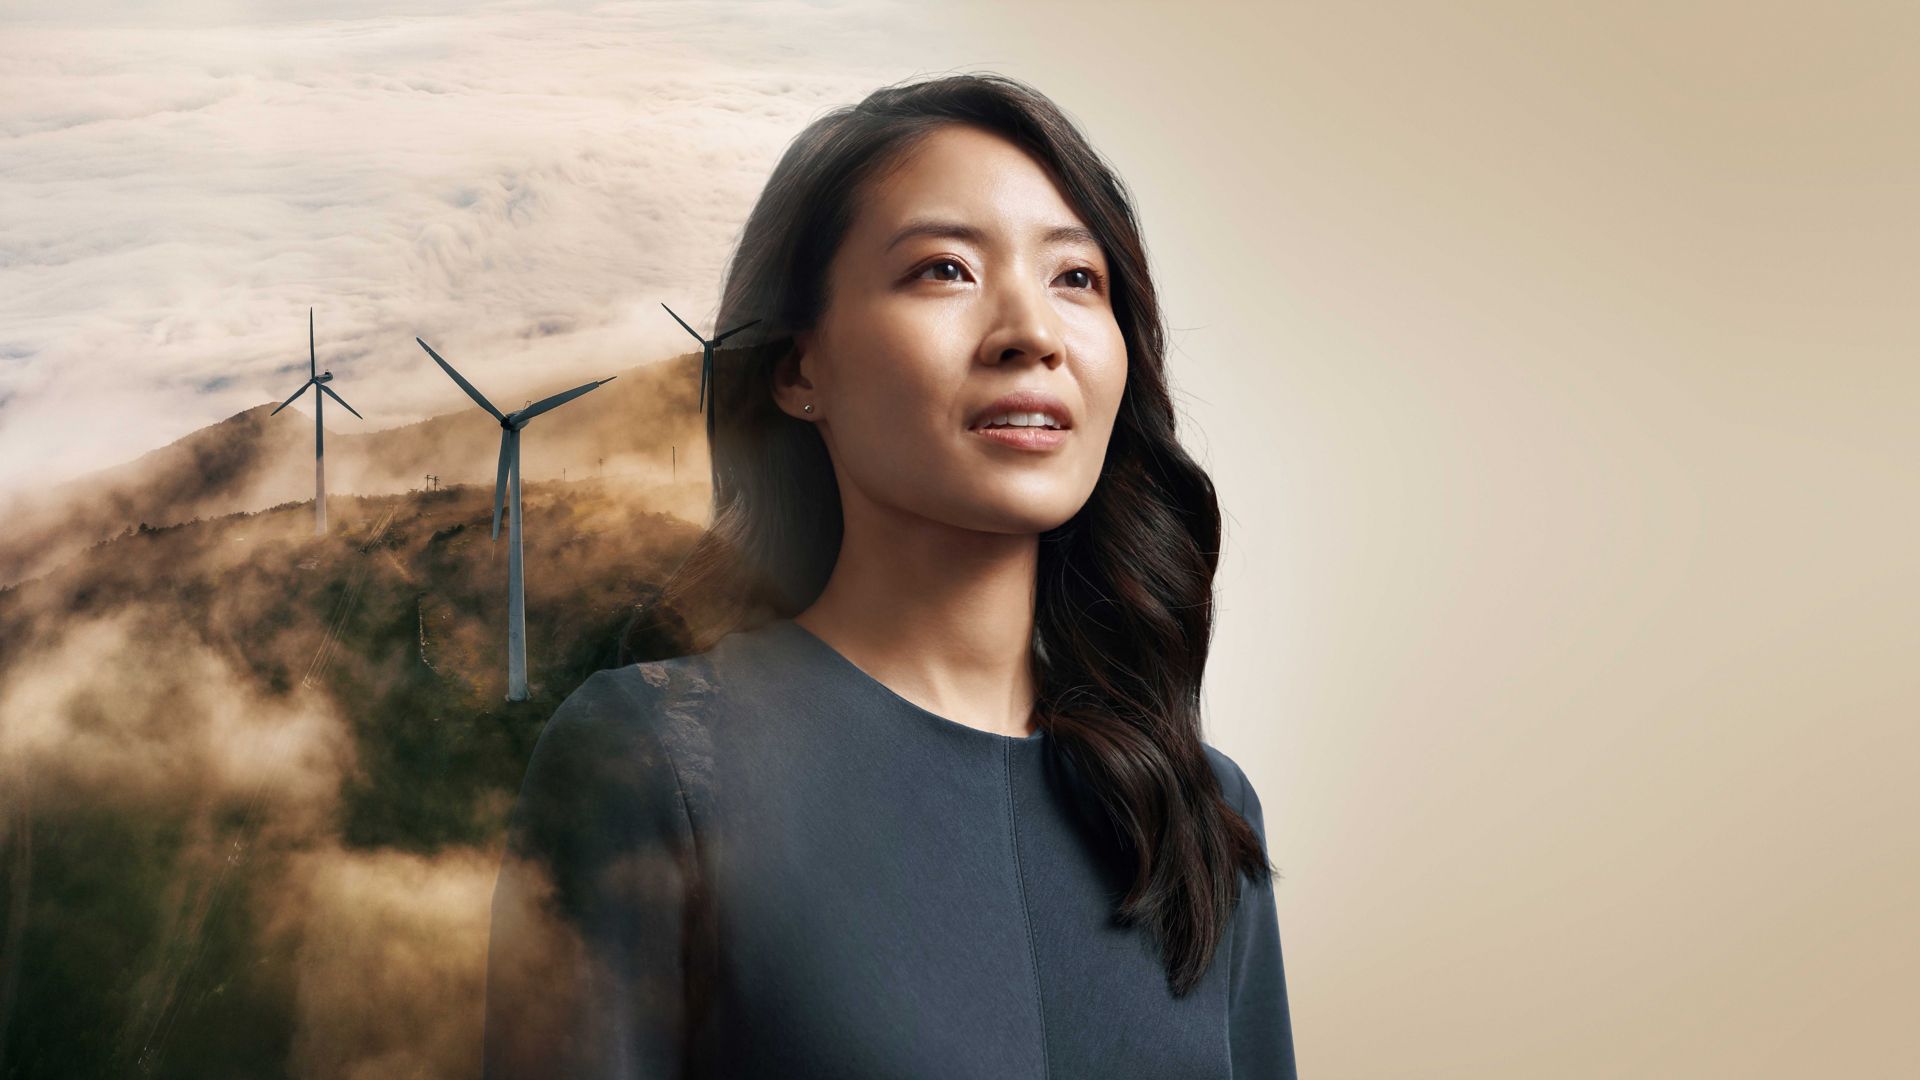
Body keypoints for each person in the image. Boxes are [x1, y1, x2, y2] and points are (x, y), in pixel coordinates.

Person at [482, 72, 1298, 1079]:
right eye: (944, 270)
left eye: (1077, 279)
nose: (1030, 333)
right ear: (797, 369)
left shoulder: (1201, 809)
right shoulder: (654, 762)